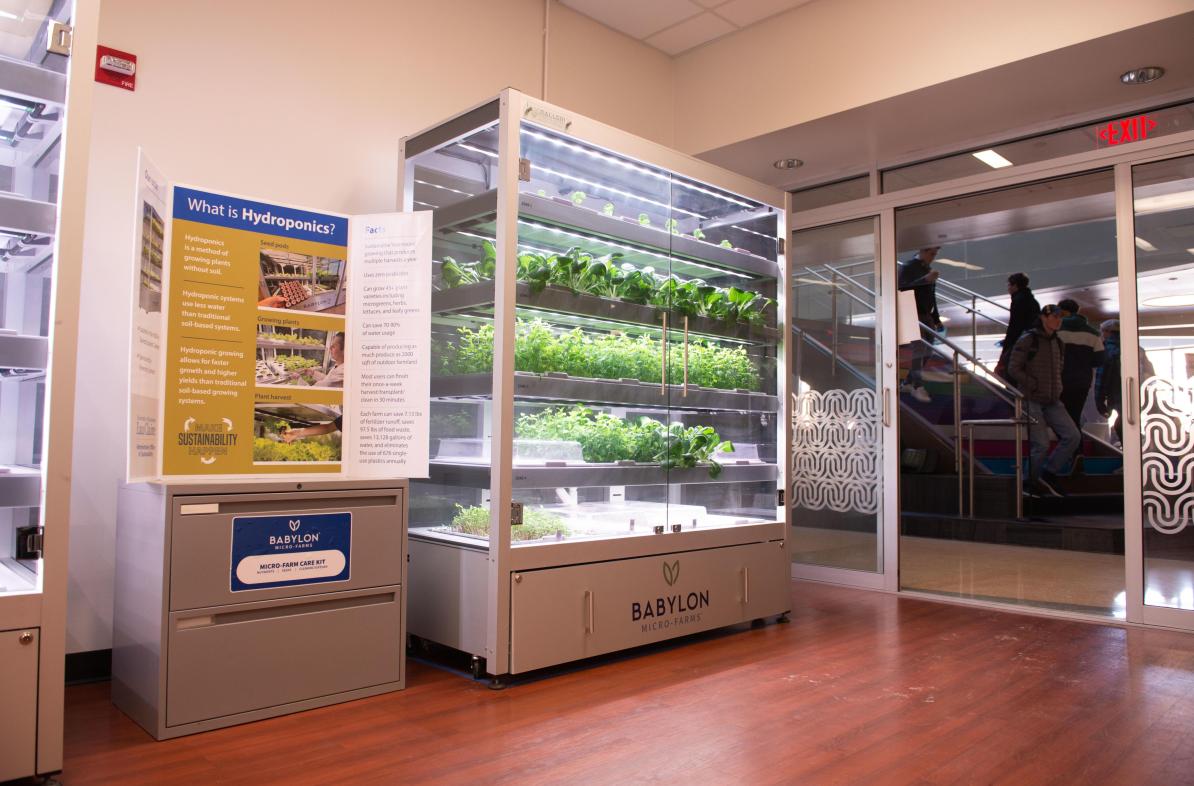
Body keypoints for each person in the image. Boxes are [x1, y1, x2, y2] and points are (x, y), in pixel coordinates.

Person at [1008, 304, 1081, 497]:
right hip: (1031, 399)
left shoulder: (1058, 343)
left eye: (1060, 317)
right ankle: (1027, 481)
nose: (1058, 320)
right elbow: (1013, 368)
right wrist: (1031, 384)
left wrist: (1057, 387)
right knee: (1040, 444)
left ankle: (1048, 473)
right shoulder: (1028, 340)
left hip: (1053, 399)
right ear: (1043, 318)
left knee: (1073, 436)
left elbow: (1059, 368)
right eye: (1054, 316)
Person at [898, 245, 942, 403]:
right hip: (911, 310)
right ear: (922, 251)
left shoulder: (927, 269)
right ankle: (916, 384)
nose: (933, 257)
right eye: (931, 254)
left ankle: (909, 382)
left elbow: (932, 295)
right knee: (920, 348)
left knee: (928, 350)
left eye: (935, 254)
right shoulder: (908, 267)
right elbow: (901, 287)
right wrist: (925, 280)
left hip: (925, 313)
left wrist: (936, 318)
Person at [1055, 298, 1105, 434]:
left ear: (1063, 311)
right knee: (1075, 415)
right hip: (1082, 382)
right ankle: (1077, 451)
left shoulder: (1055, 330)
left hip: (1058, 380)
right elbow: (1099, 360)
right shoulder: (1093, 333)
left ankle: (1070, 449)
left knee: (1058, 418)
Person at [994, 272, 1039, 382]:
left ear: (1015, 285)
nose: (1008, 288)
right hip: (1031, 341)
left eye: (1009, 285)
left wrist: (1007, 346)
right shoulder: (1033, 301)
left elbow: (1014, 326)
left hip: (1019, 343)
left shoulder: (1018, 300)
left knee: (1012, 374)